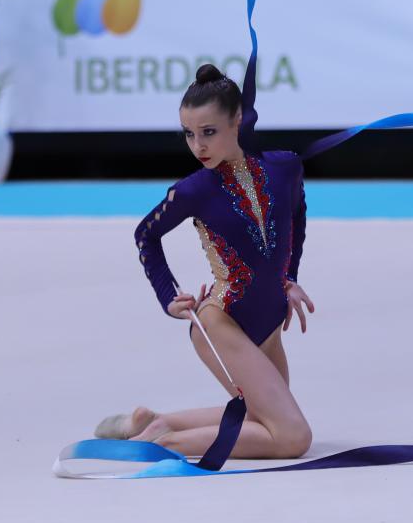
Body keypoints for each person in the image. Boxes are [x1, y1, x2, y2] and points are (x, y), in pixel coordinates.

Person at [94, 63, 316, 460]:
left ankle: (159, 422)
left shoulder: (284, 168)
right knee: (292, 437)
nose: (198, 146)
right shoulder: (194, 190)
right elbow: (146, 235)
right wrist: (168, 296)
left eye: (208, 132)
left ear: (238, 121)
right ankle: (160, 445)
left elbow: (297, 212)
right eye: (190, 135)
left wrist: (291, 277)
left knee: (262, 419)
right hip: (222, 320)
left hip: (267, 327)